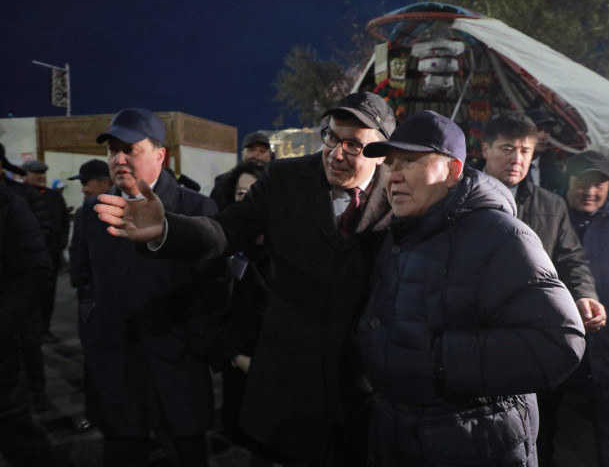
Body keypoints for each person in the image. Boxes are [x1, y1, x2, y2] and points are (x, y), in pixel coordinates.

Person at [94, 92, 397, 466]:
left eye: (353, 145)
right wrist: (167, 229)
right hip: (290, 378)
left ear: (381, 153)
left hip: (363, 383)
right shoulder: (285, 178)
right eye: (331, 137)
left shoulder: (400, 191)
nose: (335, 153)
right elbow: (225, 231)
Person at [354, 110, 585, 466]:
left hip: (473, 444)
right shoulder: (400, 235)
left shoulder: (501, 236)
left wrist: (441, 362)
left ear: (453, 171)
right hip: (400, 438)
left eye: (410, 161)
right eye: (389, 163)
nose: (393, 175)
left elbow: (560, 341)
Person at [73, 107, 219, 467]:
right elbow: (83, 279)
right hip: (116, 367)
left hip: (177, 367)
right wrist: (95, 329)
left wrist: (193, 341)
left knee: (185, 453)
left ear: (160, 154)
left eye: (130, 150)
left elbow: (215, 284)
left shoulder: (194, 207)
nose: (119, 159)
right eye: (113, 150)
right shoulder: (92, 212)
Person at [538, 151, 609, 467]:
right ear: (568, 181)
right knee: (540, 427)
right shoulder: (549, 217)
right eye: (583, 183)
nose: (591, 191)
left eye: (599, 184)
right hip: (554, 339)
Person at [481, 112, 605, 334]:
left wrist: (584, 294)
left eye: (525, 151)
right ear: (485, 150)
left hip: (530, 323)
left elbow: (571, 259)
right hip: (472, 321)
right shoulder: (456, 198)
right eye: (507, 149)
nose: (517, 159)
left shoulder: (552, 206)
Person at [206, 161, 275, 465]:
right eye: (241, 193)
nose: (247, 200)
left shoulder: (291, 246)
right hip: (238, 366)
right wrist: (234, 357)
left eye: (256, 192)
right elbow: (211, 308)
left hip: (278, 372)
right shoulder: (223, 247)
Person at [0, 183, 73, 466]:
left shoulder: (9, 203)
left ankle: (38, 393)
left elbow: (34, 271)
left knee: (17, 434)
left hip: (4, 347)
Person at [67, 158, 113, 432]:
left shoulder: (90, 211)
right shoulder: (87, 211)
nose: (83, 188)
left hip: (98, 298)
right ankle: (98, 413)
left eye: (86, 182)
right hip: (95, 297)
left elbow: (78, 259)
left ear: (105, 183)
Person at [22, 159, 70, 344]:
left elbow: (64, 221)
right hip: (27, 258)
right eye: (36, 173)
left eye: (42, 173)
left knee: (48, 295)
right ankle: (27, 332)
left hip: (51, 256)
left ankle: (44, 329)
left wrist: (62, 243)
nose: (41, 176)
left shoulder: (54, 196)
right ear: (25, 175)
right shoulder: (17, 196)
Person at [211, 131, 273, 210]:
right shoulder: (223, 180)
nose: (256, 154)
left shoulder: (277, 181)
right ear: (242, 153)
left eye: (262, 151)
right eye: (251, 150)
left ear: (270, 156)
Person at [524, 109, 567, 195]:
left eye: (547, 131)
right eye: (538, 130)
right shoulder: (509, 165)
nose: (543, 136)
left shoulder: (553, 171)